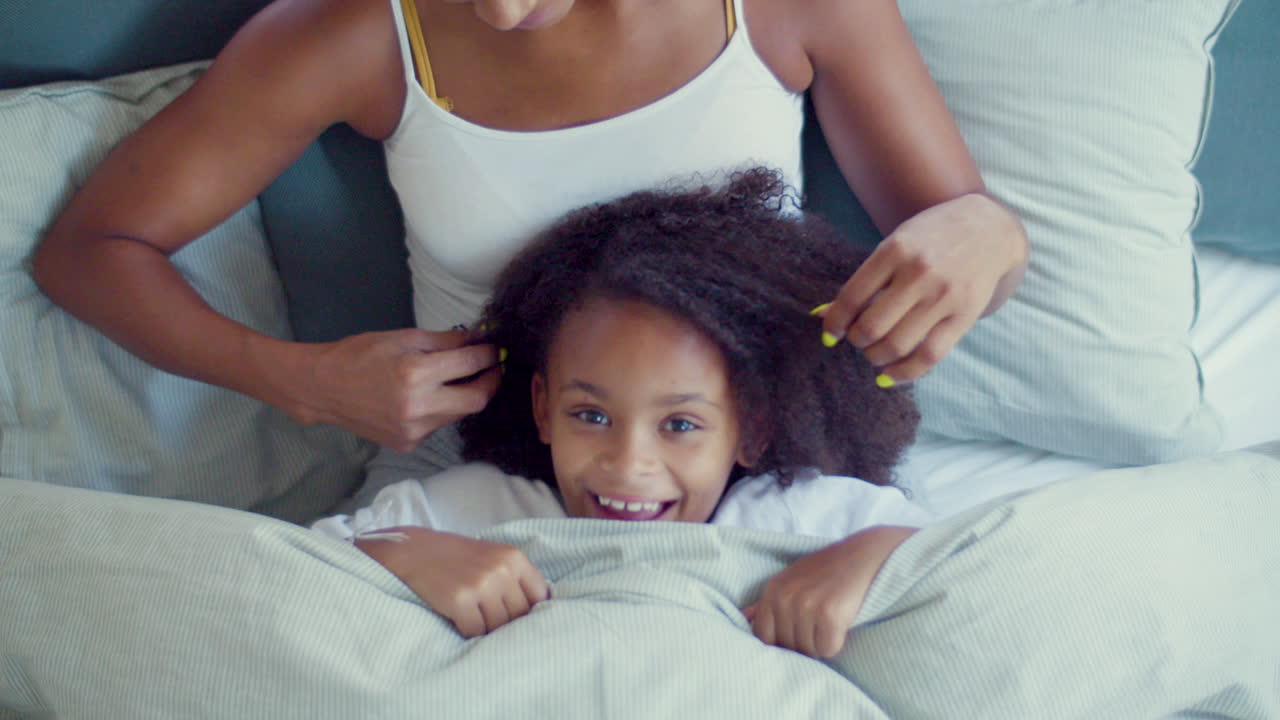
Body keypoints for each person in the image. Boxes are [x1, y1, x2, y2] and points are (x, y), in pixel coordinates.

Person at [31, 0, 1028, 485]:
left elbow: (968, 228)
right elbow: (89, 249)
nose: (496, 12)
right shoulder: (350, 33)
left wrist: (980, 231)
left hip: (758, 463)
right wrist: (300, 379)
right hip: (480, 482)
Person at [312, 171, 933, 659]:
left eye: (681, 425)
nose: (628, 466)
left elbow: (963, 560)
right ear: (543, 409)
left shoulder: (808, 516)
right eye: (591, 415)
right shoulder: (467, 512)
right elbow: (297, 564)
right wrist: (404, 557)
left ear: (753, 430)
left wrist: (871, 556)